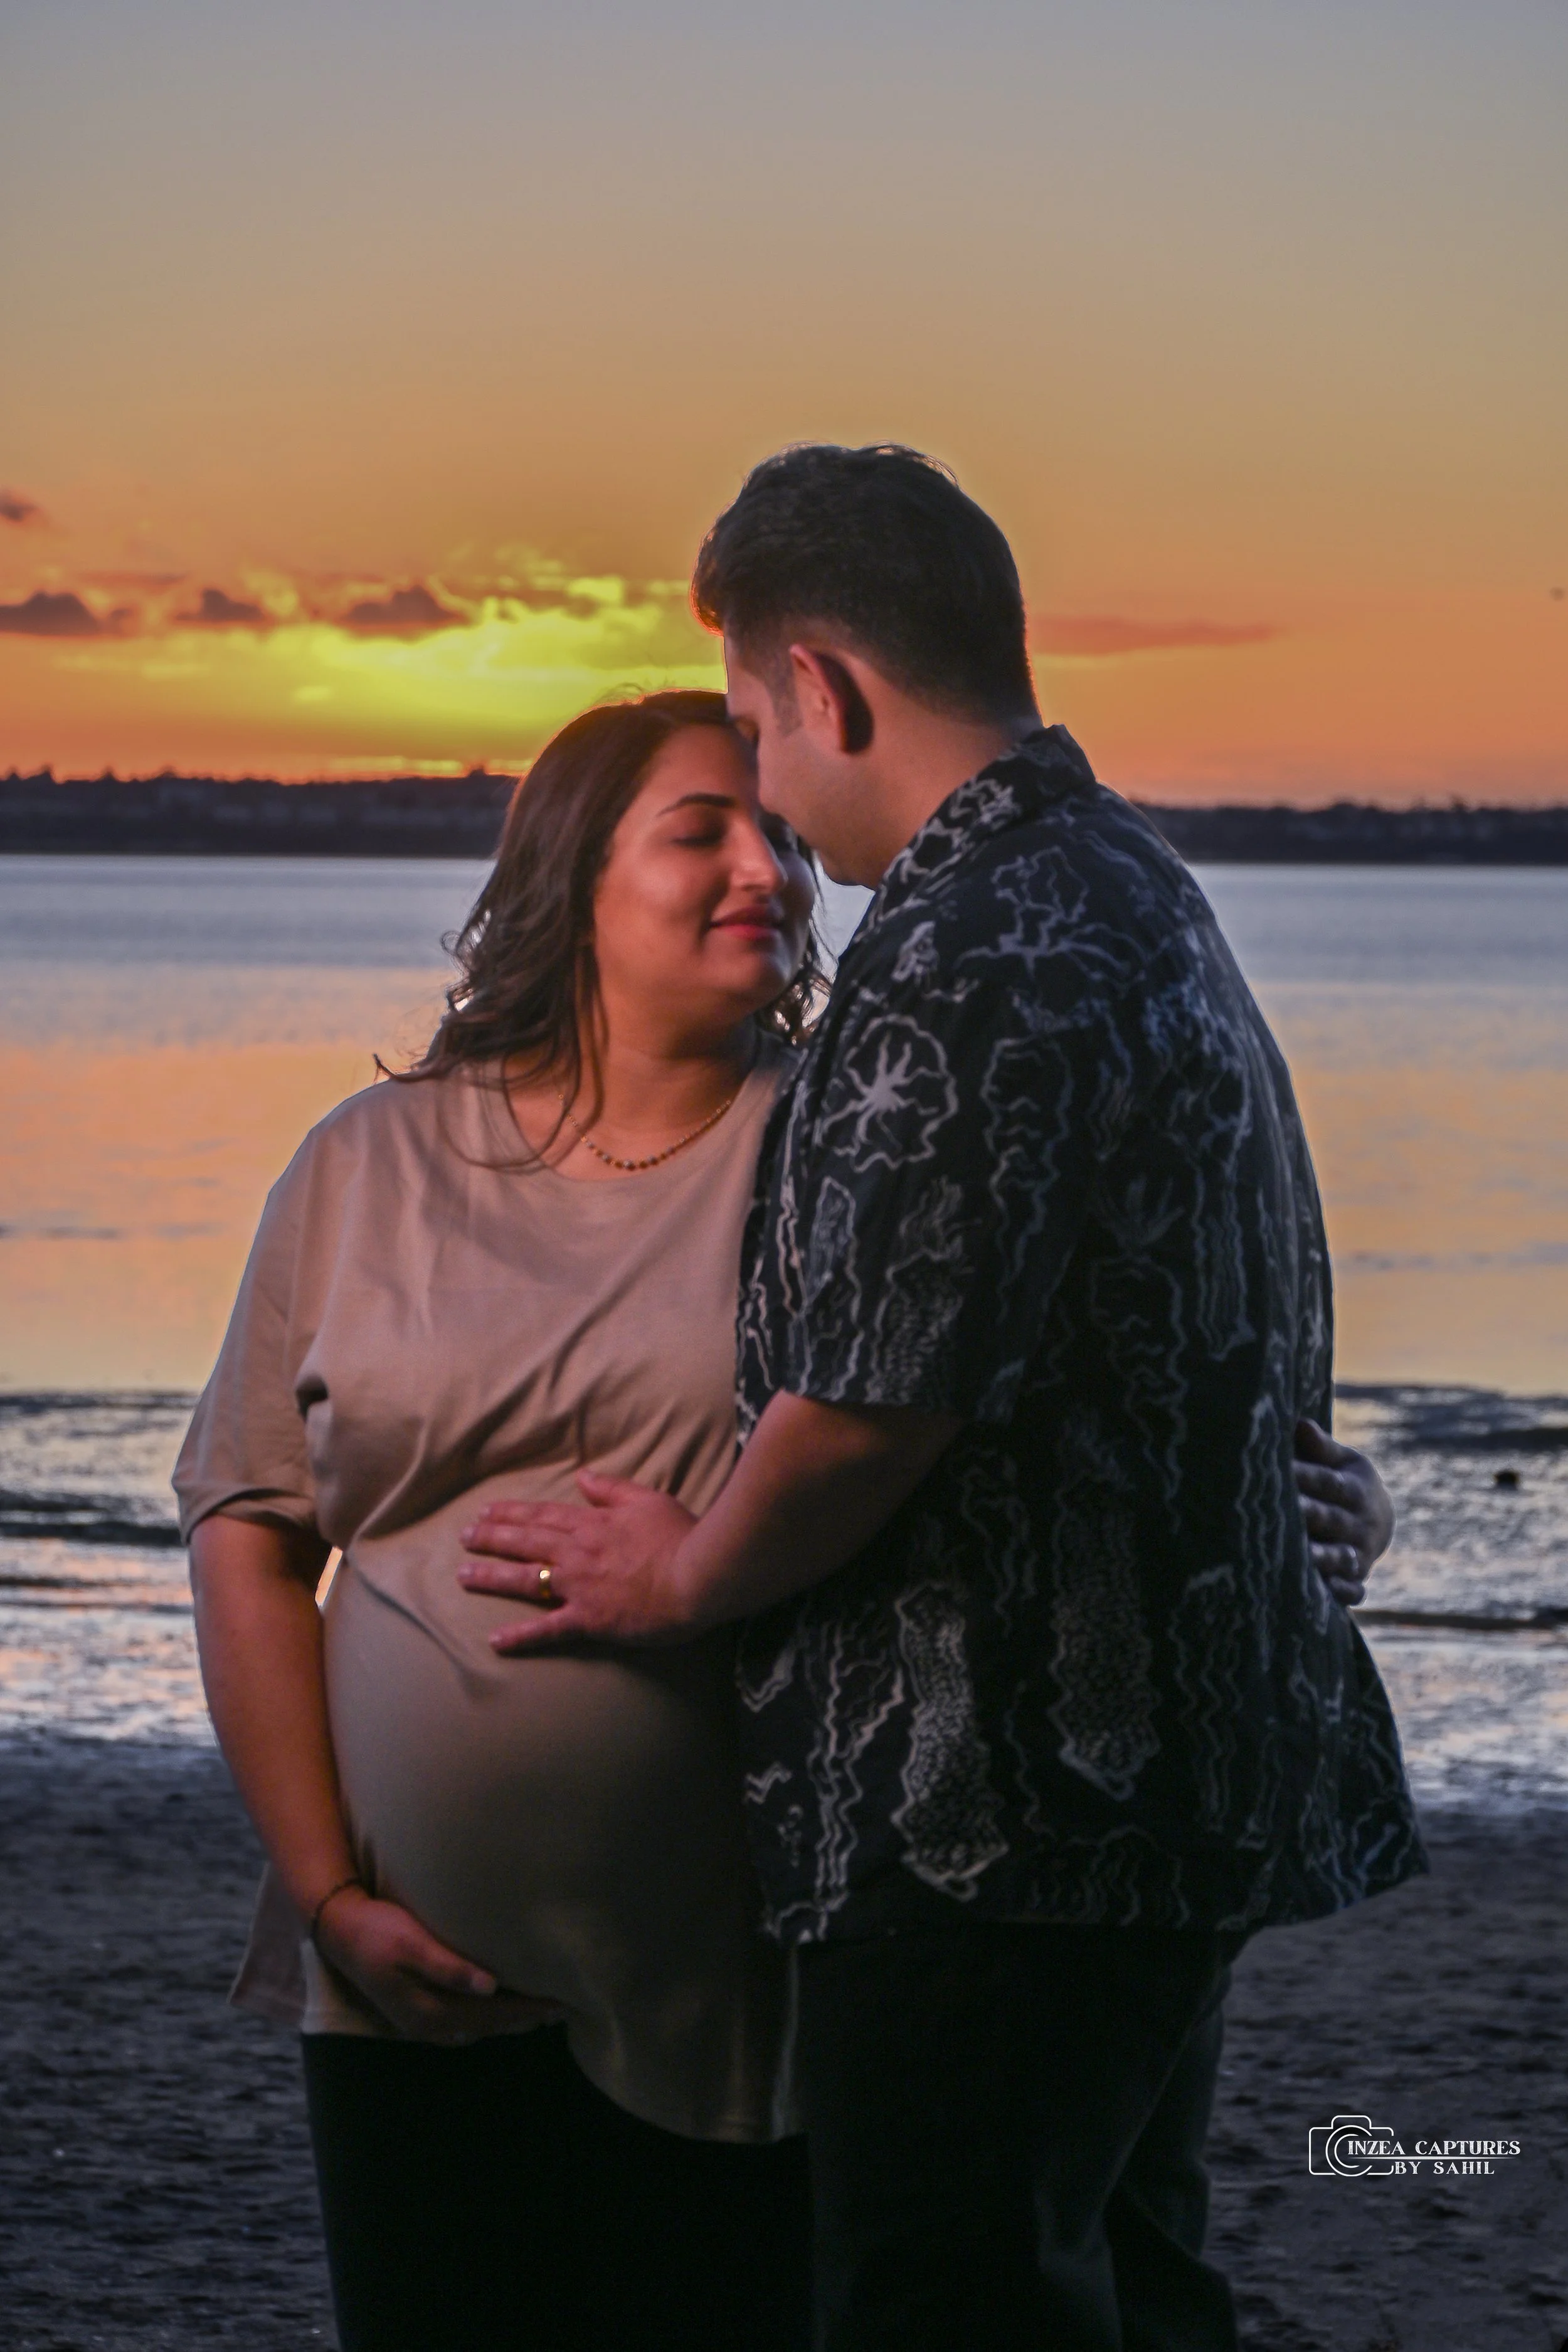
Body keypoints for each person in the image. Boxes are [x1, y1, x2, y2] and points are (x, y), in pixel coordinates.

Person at [457, 445, 1427, 2352]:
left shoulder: (958, 952)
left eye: (754, 718)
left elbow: (864, 1405)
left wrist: (677, 1575)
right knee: (1125, 2284)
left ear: (823, 685)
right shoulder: (1135, 887)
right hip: (1160, 1783)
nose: (769, 786)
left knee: (948, 2300)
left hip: (997, 1817)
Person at [172, 692, 820, 2352]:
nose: (767, 865)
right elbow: (249, 1528)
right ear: (569, 881)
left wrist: (1311, 1484)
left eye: (787, 834)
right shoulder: (366, 1162)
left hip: (729, 1989)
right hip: (399, 1980)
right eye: (703, 829)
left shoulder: (835, 1160)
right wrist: (328, 1900)